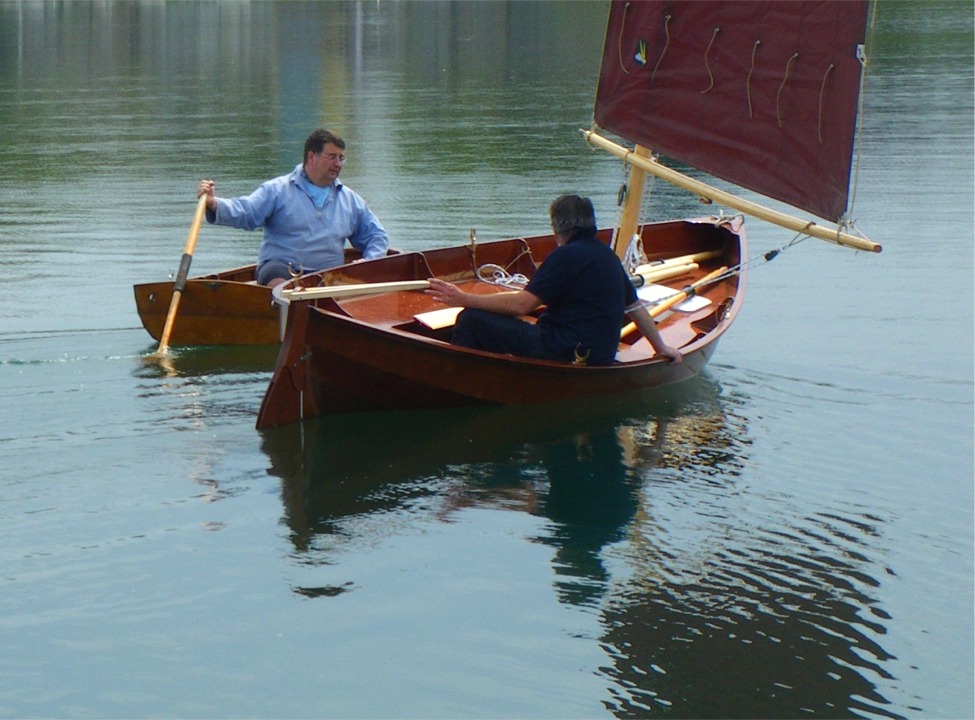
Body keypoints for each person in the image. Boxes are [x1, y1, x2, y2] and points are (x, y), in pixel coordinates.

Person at [426, 195, 683, 366]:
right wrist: (660, 346)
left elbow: (521, 306)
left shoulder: (565, 255)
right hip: (600, 355)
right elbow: (635, 307)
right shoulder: (607, 256)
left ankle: (465, 380)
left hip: (565, 351)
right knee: (513, 321)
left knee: (471, 320)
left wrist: (462, 298)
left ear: (556, 226)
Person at [196, 129, 389, 287]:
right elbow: (247, 212)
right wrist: (214, 203)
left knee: (345, 289)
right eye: (332, 157)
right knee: (283, 288)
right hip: (283, 270)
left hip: (329, 278)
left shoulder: (350, 200)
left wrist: (369, 262)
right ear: (312, 157)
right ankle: (286, 326)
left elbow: (376, 236)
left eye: (341, 158)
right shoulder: (277, 190)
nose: (338, 164)